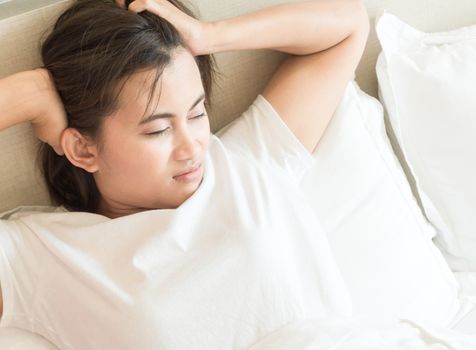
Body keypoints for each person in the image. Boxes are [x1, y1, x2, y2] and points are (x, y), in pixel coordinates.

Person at [0, 0, 369, 348]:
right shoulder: (41, 256)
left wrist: (208, 37)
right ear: (83, 149)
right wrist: (27, 93)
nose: (193, 147)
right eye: (158, 130)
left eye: (196, 114)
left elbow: (348, 24)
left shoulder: (250, 158)